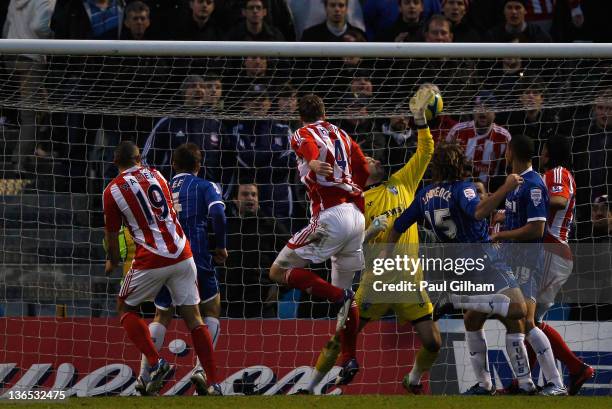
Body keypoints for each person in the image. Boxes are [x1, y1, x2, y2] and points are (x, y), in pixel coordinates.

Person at [389, 141, 528, 396]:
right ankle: (452, 300)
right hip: (482, 256)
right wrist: (506, 187)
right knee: (518, 309)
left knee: (473, 320)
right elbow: (477, 212)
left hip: (458, 265)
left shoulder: (424, 195)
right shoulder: (462, 189)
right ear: (456, 163)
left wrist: (386, 258)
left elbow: (398, 226)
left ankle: (491, 385)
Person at [268, 94, 370, 388]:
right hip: (355, 215)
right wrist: (351, 186)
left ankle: (338, 297)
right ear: (325, 111)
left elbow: (308, 145)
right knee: (346, 292)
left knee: (276, 272)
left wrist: (312, 161)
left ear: (300, 115)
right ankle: (350, 357)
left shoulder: (301, 132)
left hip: (329, 215)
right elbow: (363, 168)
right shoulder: (341, 132)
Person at [103, 141, 220, 395]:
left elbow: (112, 233)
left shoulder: (112, 190)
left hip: (151, 258)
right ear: (139, 159)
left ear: (115, 163)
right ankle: (212, 383)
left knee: (125, 307)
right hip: (183, 252)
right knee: (195, 318)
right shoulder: (157, 175)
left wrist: (112, 259)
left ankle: (155, 365)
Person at [350, 85, 441, 394]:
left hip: (409, 280)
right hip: (376, 280)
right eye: (368, 158)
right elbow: (349, 247)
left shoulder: (403, 180)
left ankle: (413, 380)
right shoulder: (357, 202)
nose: (374, 159)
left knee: (433, 342)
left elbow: (426, 151)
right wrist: (370, 232)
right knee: (346, 330)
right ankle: (320, 380)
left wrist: (420, 121)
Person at [133, 143, 227, 395]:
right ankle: (201, 370)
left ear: (173, 165)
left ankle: (144, 377)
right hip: (194, 253)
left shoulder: (159, 187)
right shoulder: (205, 186)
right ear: (199, 165)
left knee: (162, 313)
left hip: (163, 254)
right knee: (210, 308)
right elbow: (218, 213)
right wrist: (221, 246)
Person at [489, 134, 567, 396]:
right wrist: (503, 218)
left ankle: (555, 383)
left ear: (511, 152)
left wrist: (502, 235)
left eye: (507, 150)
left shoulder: (534, 184)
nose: (505, 154)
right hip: (511, 261)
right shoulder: (516, 183)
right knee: (521, 321)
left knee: (529, 322)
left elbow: (536, 229)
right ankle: (526, 383)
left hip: (526, 261)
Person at [535, 135, 594, 395]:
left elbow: (558, 201)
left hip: (553, 251)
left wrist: (529, 204)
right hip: (548, 252)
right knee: (527, 320)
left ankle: (573, 368)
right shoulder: (549, 174)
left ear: (550, 154)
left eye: (544, 150)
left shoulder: (557, 173)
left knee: (527, 320)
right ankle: (525, 380)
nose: (541, 155)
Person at [142, 74, 232, 187]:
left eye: (202, 86)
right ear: (184, 92)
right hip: (174, 191)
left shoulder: (215, 124)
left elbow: (228, 161)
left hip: (207, 191)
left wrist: (222, 191)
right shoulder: (168, 122)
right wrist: (160, 186)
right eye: (193, 86)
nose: (199, 89)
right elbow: (147, 159)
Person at [221, 183, 291, 318]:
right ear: (235, 200)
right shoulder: (227, 226)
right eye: (245, 194)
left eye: (254, 195)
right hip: (230, 304)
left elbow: (295, 254)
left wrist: (281, 288)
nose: (250, 198)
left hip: (262, 303)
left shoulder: (270, 224)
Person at [3, 0, 56, 172]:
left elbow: (6, 26)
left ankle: (32, 148)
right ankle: (18, 160)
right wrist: (56, 36)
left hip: (11, 55)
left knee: (41, 104)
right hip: (31, 56)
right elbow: (39, 26)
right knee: (29, 113)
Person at [446, 91, 511, 191]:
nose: (482, 111)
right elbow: (444, 163)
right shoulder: (457, 131)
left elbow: (508, 170)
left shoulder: (504, 137)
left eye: (487, 107)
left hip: (490, 195)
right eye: (478, 106)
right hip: (458, 191)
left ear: (495, 112)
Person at [487, 0, 552, 43]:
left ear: (525, 11)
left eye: (518, 8)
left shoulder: (538, 35)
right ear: (504, 11)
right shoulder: (493, 36)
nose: (513, 12)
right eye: (509, 8)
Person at [301, 0, 366, 42]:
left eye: (341, 5)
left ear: (346, 9)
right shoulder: (310, 36)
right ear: (325, 8)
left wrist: (358, 61)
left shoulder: (359, 36)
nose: (337, 9)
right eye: (332, 5)